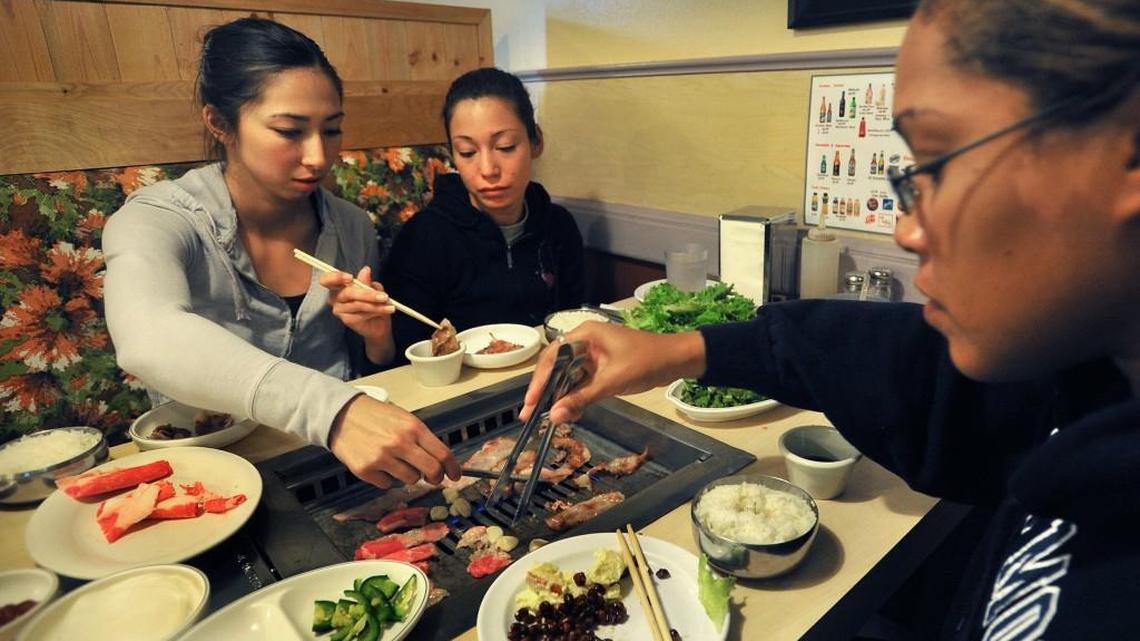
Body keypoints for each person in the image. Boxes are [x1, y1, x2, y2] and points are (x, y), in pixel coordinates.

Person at [523, 0, 1140, 638]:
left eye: (938, 162)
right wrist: (683, 350)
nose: (906, 230)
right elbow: (915, 367)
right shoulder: (1083, 381)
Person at [103, 17, 459, 489]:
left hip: (339, 469)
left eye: (332, 130)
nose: (318, 157)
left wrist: (375, 337)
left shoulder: (349, 225)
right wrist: (331, 411)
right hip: (209, 475)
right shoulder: (161, 218)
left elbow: (369, 372)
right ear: (220, 123)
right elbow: (147, 336)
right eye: (290, 131)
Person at [382, 67, 586, 361]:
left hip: (550, 377)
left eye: (505, 147)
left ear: (536, 142)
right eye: (467, 152)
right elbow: (405, 356)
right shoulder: (423, 239)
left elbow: (577, 323)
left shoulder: (558, 226)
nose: (488, 169)